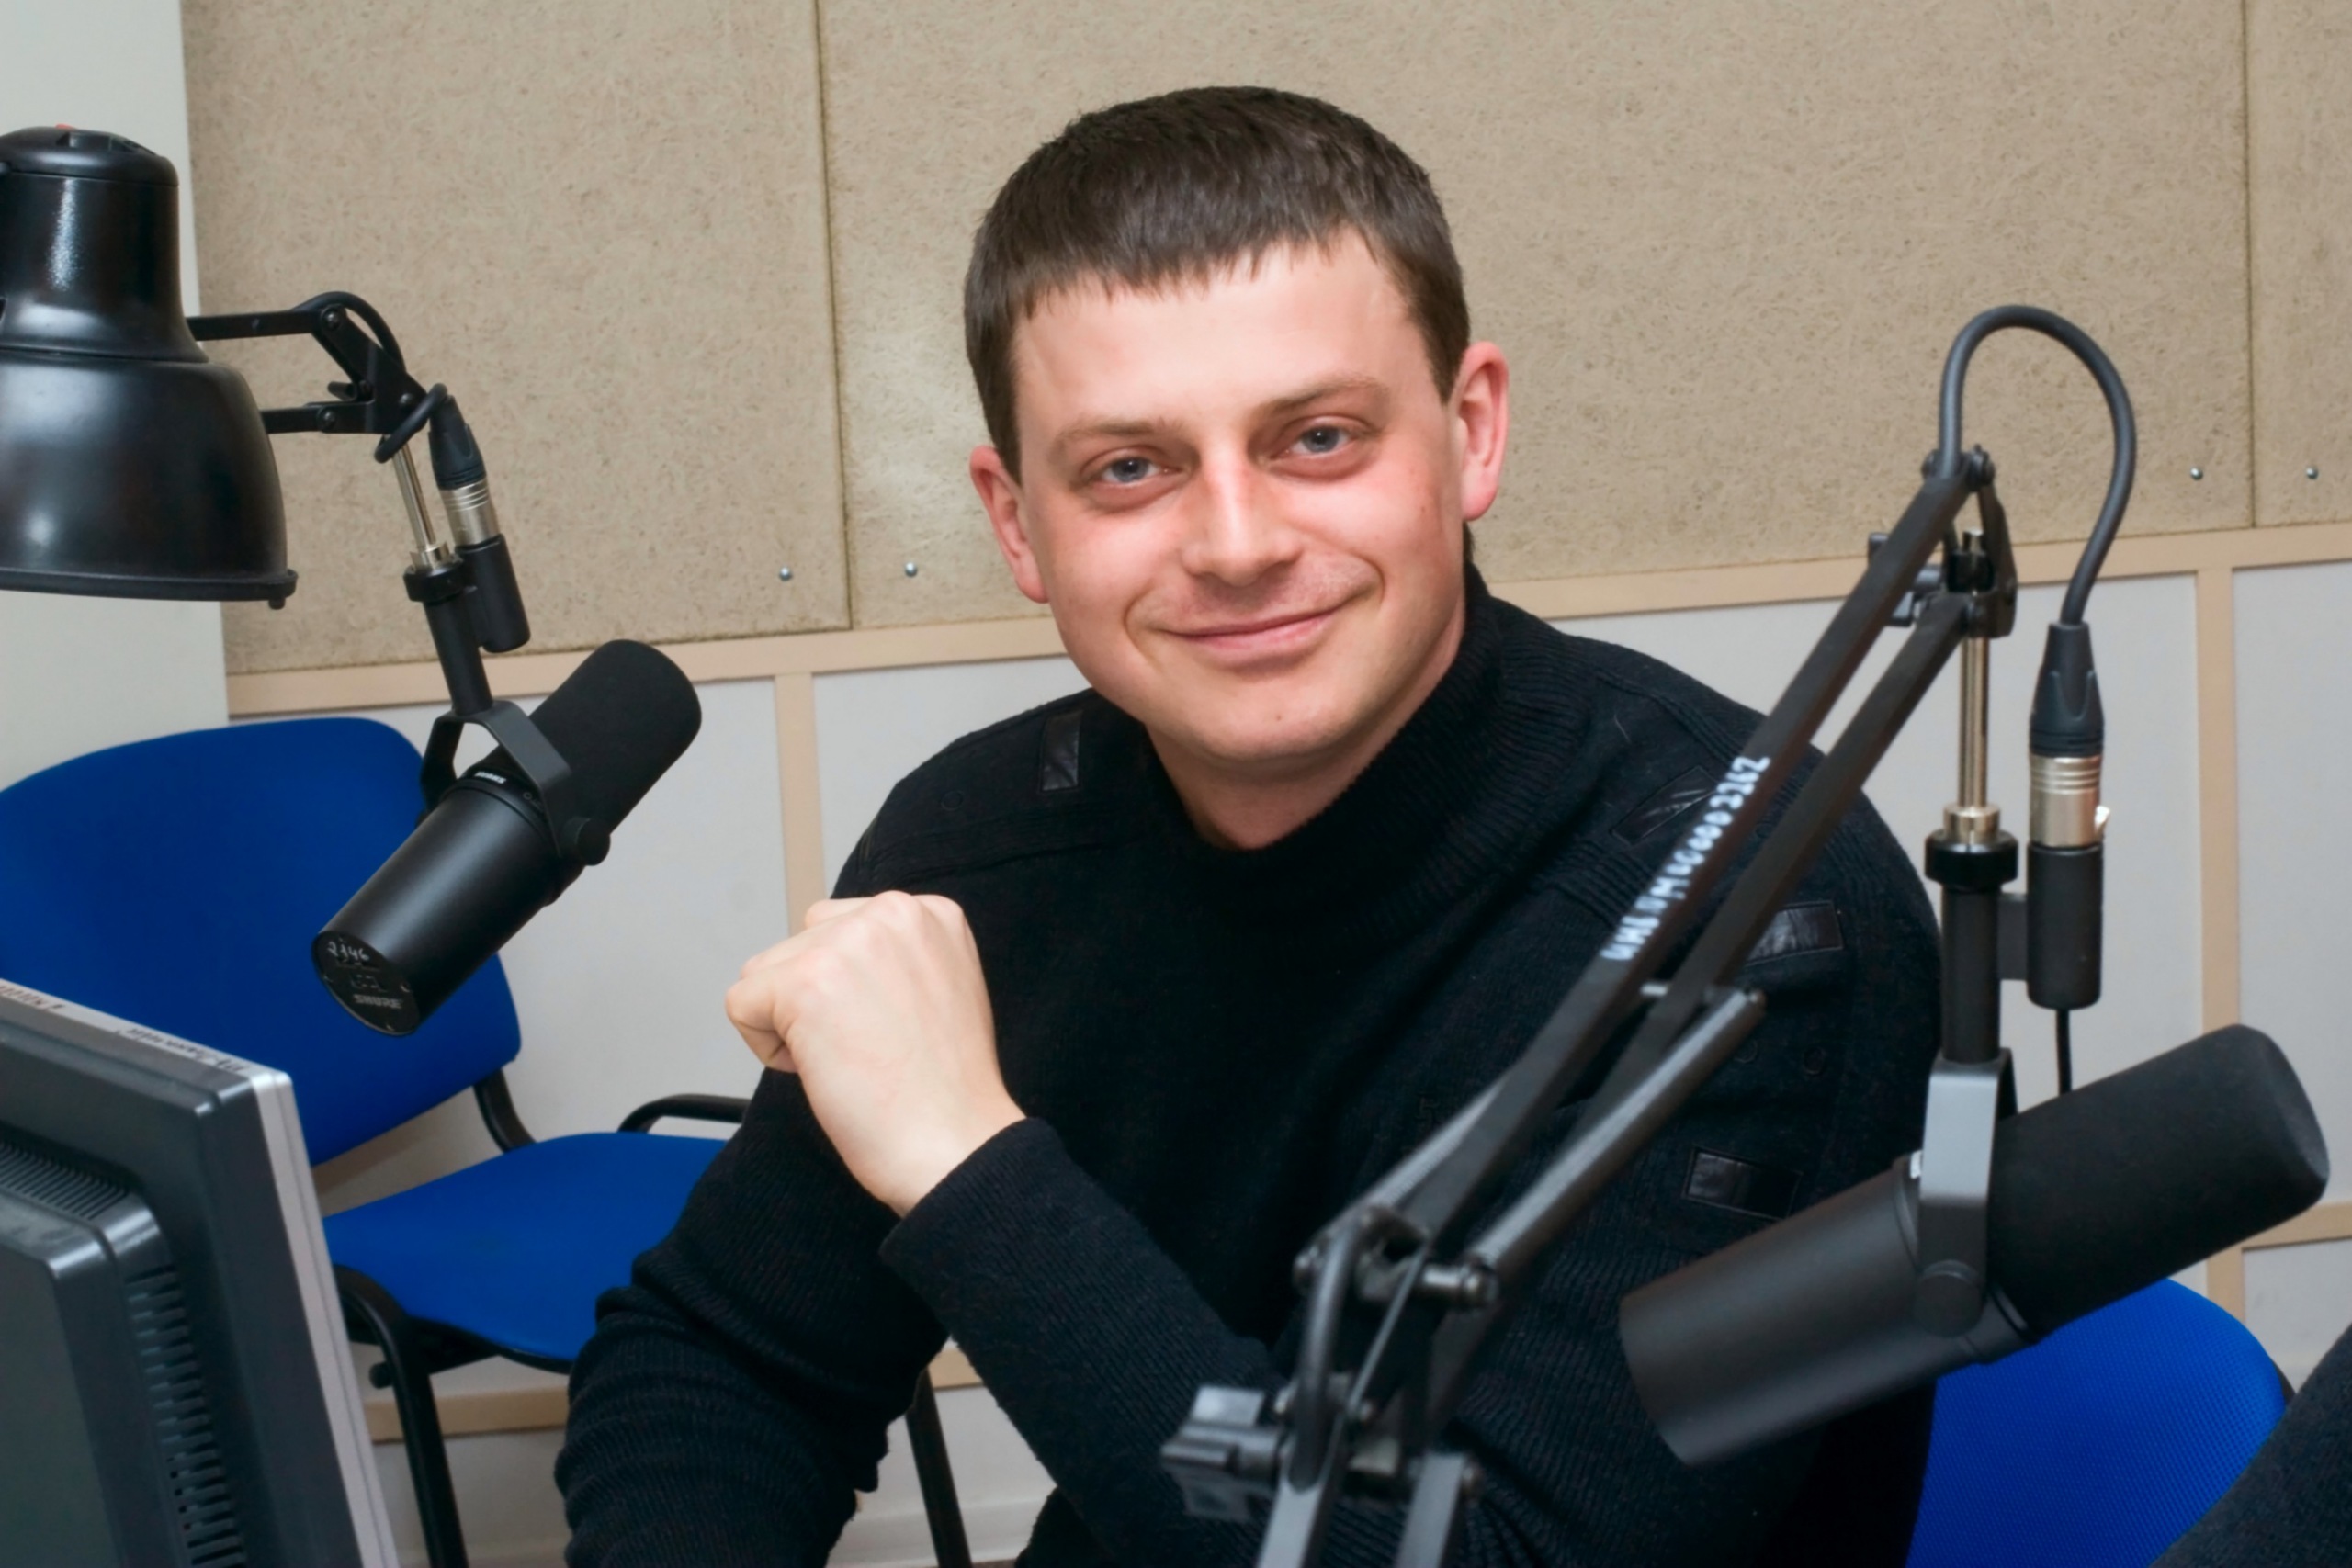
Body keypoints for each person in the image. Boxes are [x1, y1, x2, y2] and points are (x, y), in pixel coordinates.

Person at [559, 86, 1940, 1566]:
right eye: (1129, 469)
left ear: (1470, 432)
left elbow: (1474, 1554)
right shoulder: (982, 846)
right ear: (1018, 522)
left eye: (1319, 438)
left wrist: (970, 1169)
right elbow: (726, 1359)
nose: (1236, 544)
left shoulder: (1759, 912)